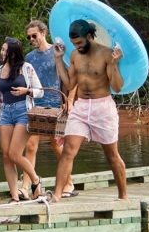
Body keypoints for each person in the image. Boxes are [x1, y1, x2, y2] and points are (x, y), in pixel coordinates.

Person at [52, 20, 127, 202]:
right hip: (81, 107)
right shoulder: (75, 56)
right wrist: (58, 59)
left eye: (79, 43)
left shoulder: (106, 53)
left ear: (88, 36)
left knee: (112, 155)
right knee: (68, 149)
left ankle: (123, 196)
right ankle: (56, 196)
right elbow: (70, 84)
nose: (77, 47)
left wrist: (115, 64)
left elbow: (116, 87)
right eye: (73, 44)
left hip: (103, 107)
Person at [23, 20, 76, 199]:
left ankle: (68, 182)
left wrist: (69, 100)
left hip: (54, 104)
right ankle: (31, 186)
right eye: (29, 37)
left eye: (34, 35)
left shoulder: (56, 51)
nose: (32, 39)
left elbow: (71, 78)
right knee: (30, 146)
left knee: (58, 145)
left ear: (44, 33)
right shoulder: (29, 58)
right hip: (35, 105)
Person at [0, 37, 44, 203]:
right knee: (6, 155)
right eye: (2, 50)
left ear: (14, 53)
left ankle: (35, 180)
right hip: (5, 113)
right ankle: (15, 196)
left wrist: (27, 90)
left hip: (23, 111)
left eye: (5, 50)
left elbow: (40, 92)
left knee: (14, 154)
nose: (2, 53)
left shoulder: (26, 68)